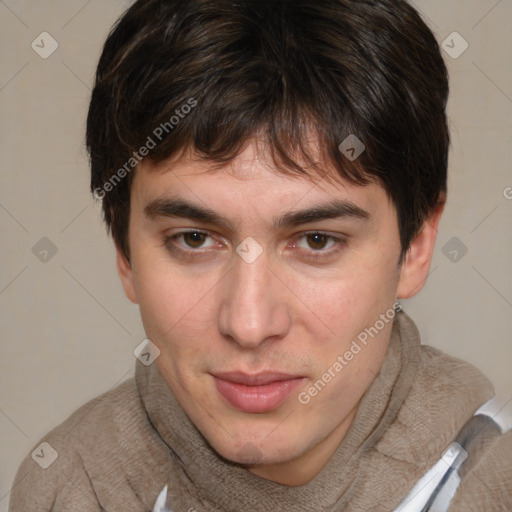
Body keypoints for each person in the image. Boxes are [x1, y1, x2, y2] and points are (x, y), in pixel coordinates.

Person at [10, 0, 512, 510]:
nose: (249, 324)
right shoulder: (65, 488)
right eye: (194, 239)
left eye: (317, 241)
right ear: (123, 251)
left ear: (417, 245)